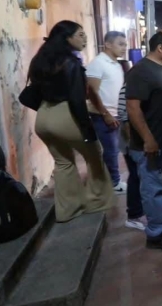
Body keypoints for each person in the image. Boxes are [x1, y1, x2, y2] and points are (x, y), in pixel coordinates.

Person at [29, 21, 114, 222]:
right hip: (66, 115)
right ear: (67, 38)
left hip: (43, 116)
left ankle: (67, 210)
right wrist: (87, 130)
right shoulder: (71, 63)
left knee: (63, 163)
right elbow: (77, 100)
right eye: (80, 35)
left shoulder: (41, 60)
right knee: (94, 156)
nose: (85, 38)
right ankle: (96, 201)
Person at [126, 32, 162, 250]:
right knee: (153, 188)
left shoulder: (159, 70)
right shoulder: (141, 72)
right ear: (161, 48)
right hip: (148, 144)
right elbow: (133, 108)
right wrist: (148, 139)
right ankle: (157, 233)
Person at [87, 31, 128, 192]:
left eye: (125, 44)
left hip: (116, 114)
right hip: (102, 115)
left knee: (115, 150)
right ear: (108, 44)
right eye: (120, 44)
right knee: (109, 151)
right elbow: (91, 91)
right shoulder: (98, 63)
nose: (124, 47)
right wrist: (105, 114)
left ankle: (112, 181)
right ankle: (113, 183)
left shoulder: (117, 64)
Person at [117, 60, 145, 230]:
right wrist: (132, 143)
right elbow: (125, 117)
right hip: (131, 143)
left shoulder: (135, 88)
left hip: (133, 142)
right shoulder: (128, 89)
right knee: (135, 176)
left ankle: (138, 212)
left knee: (139, 176)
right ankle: (134, 215)